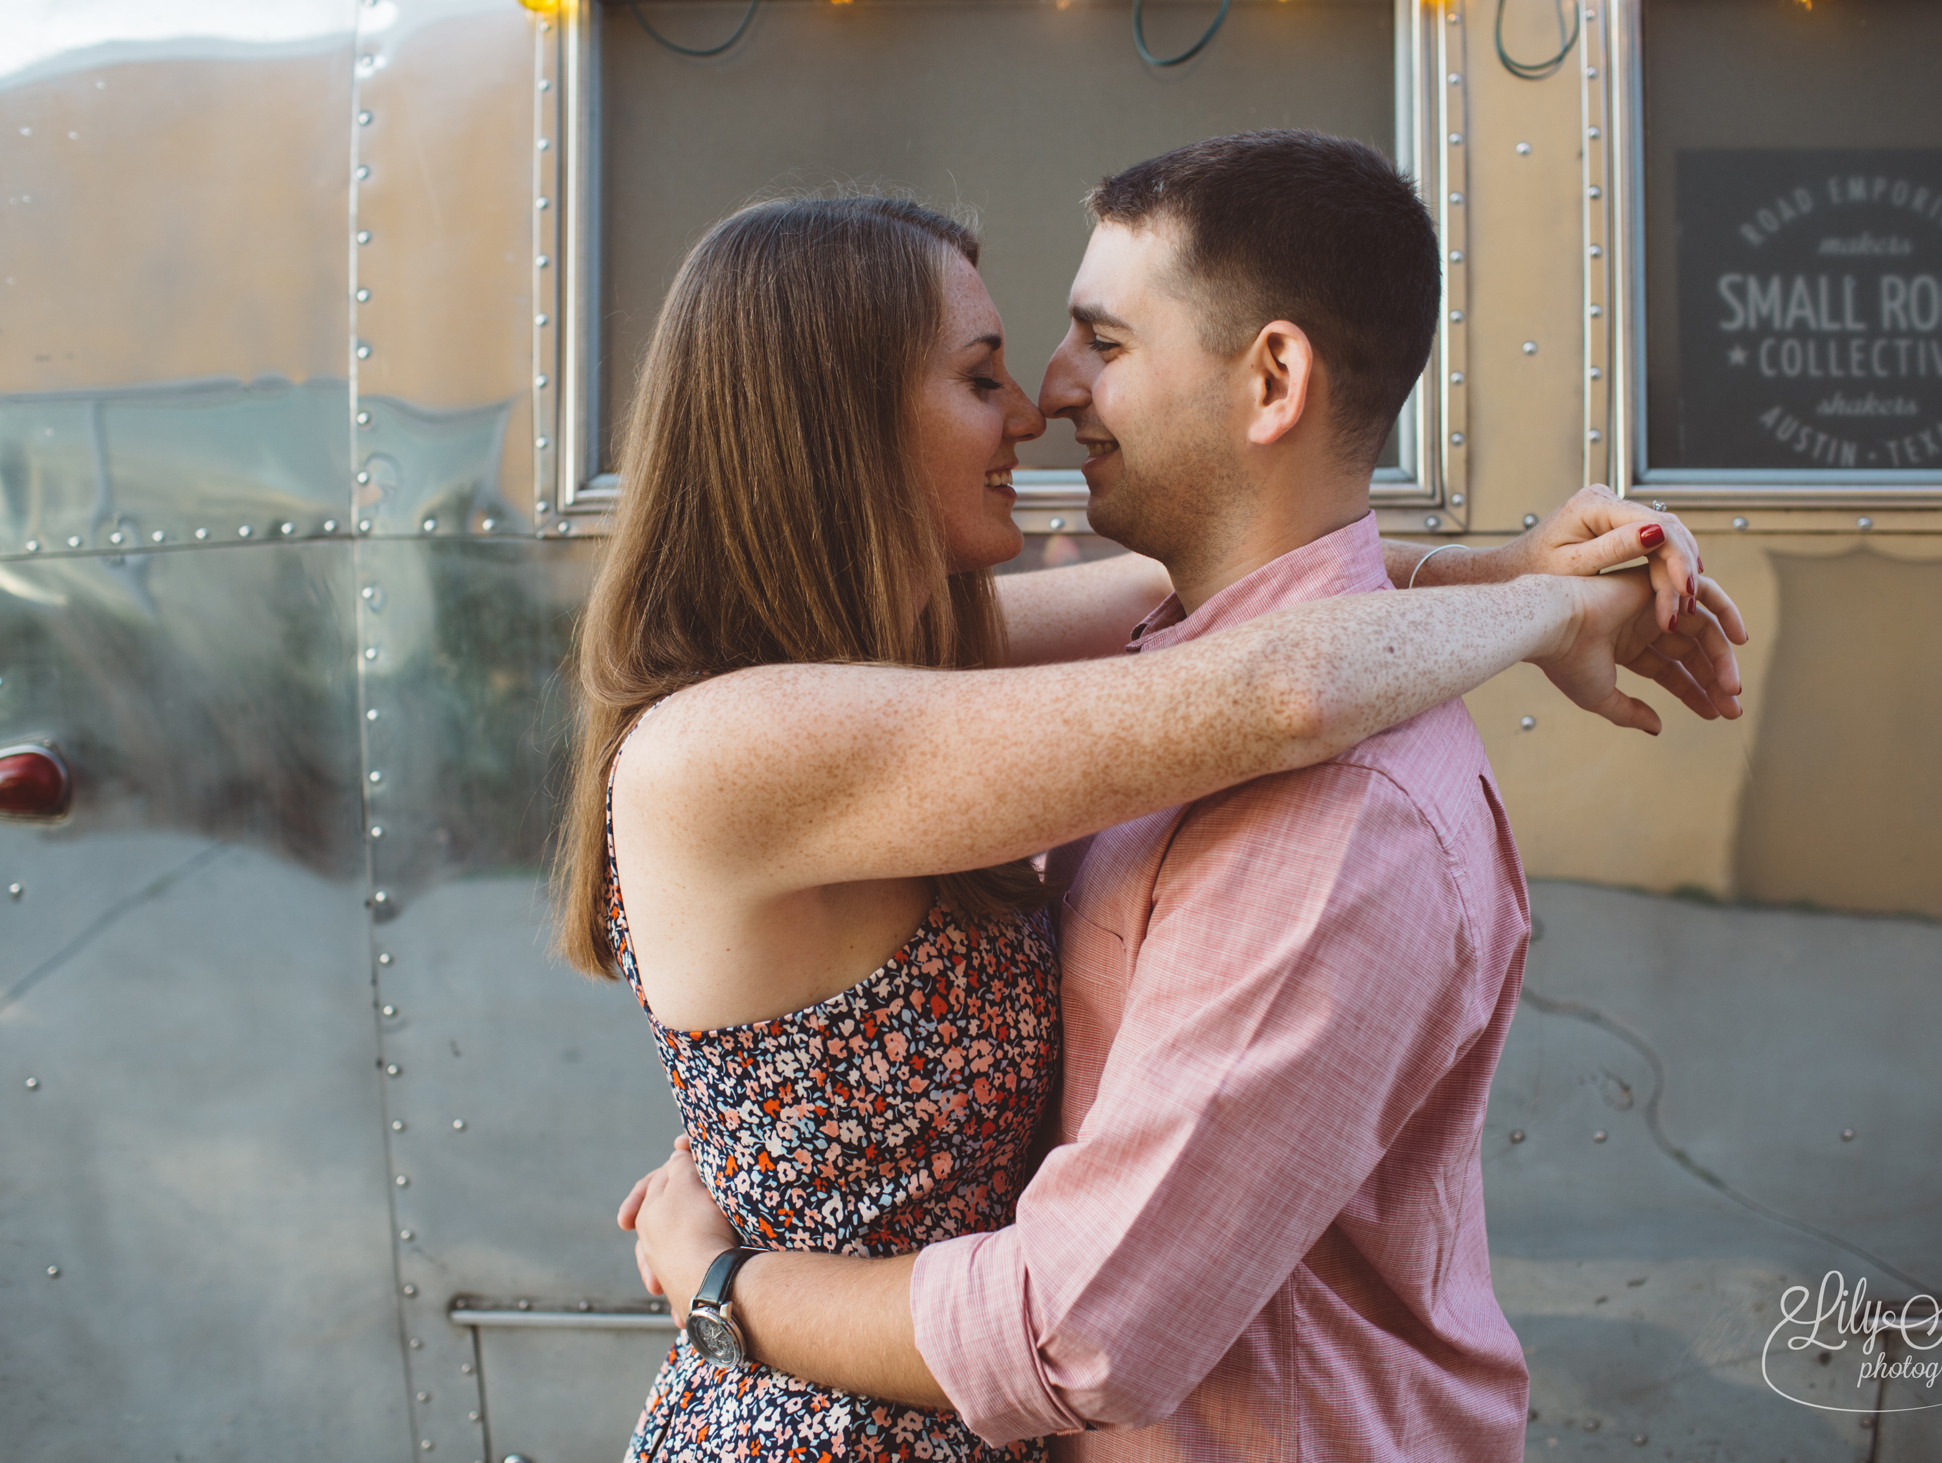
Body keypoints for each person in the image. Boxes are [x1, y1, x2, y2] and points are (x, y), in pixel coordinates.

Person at [583, 147, 1743, 1461]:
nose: (1037, 405)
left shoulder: (1252, 766)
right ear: (831, 423)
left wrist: (1514, 572)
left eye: (1095, 343)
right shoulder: (751, 733)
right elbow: (1276, 680)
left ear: (1270, 381)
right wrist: (1553, 603)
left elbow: (1231, 639)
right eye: (984, 375)